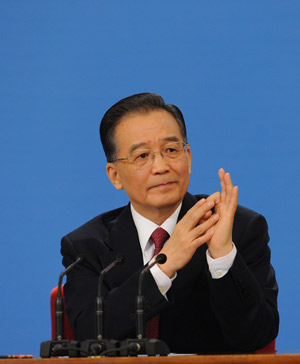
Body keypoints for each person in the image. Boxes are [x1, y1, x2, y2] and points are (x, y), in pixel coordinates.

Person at [61, 92, 279, 354]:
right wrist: (164, 267)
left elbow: (255, 336)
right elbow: (91, 335)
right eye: (142, 156)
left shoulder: (239, 228)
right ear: (115, 175)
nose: (161, 166)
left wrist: (221, 255)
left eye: (171, 150)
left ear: (188, 157)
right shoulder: (86, 247)